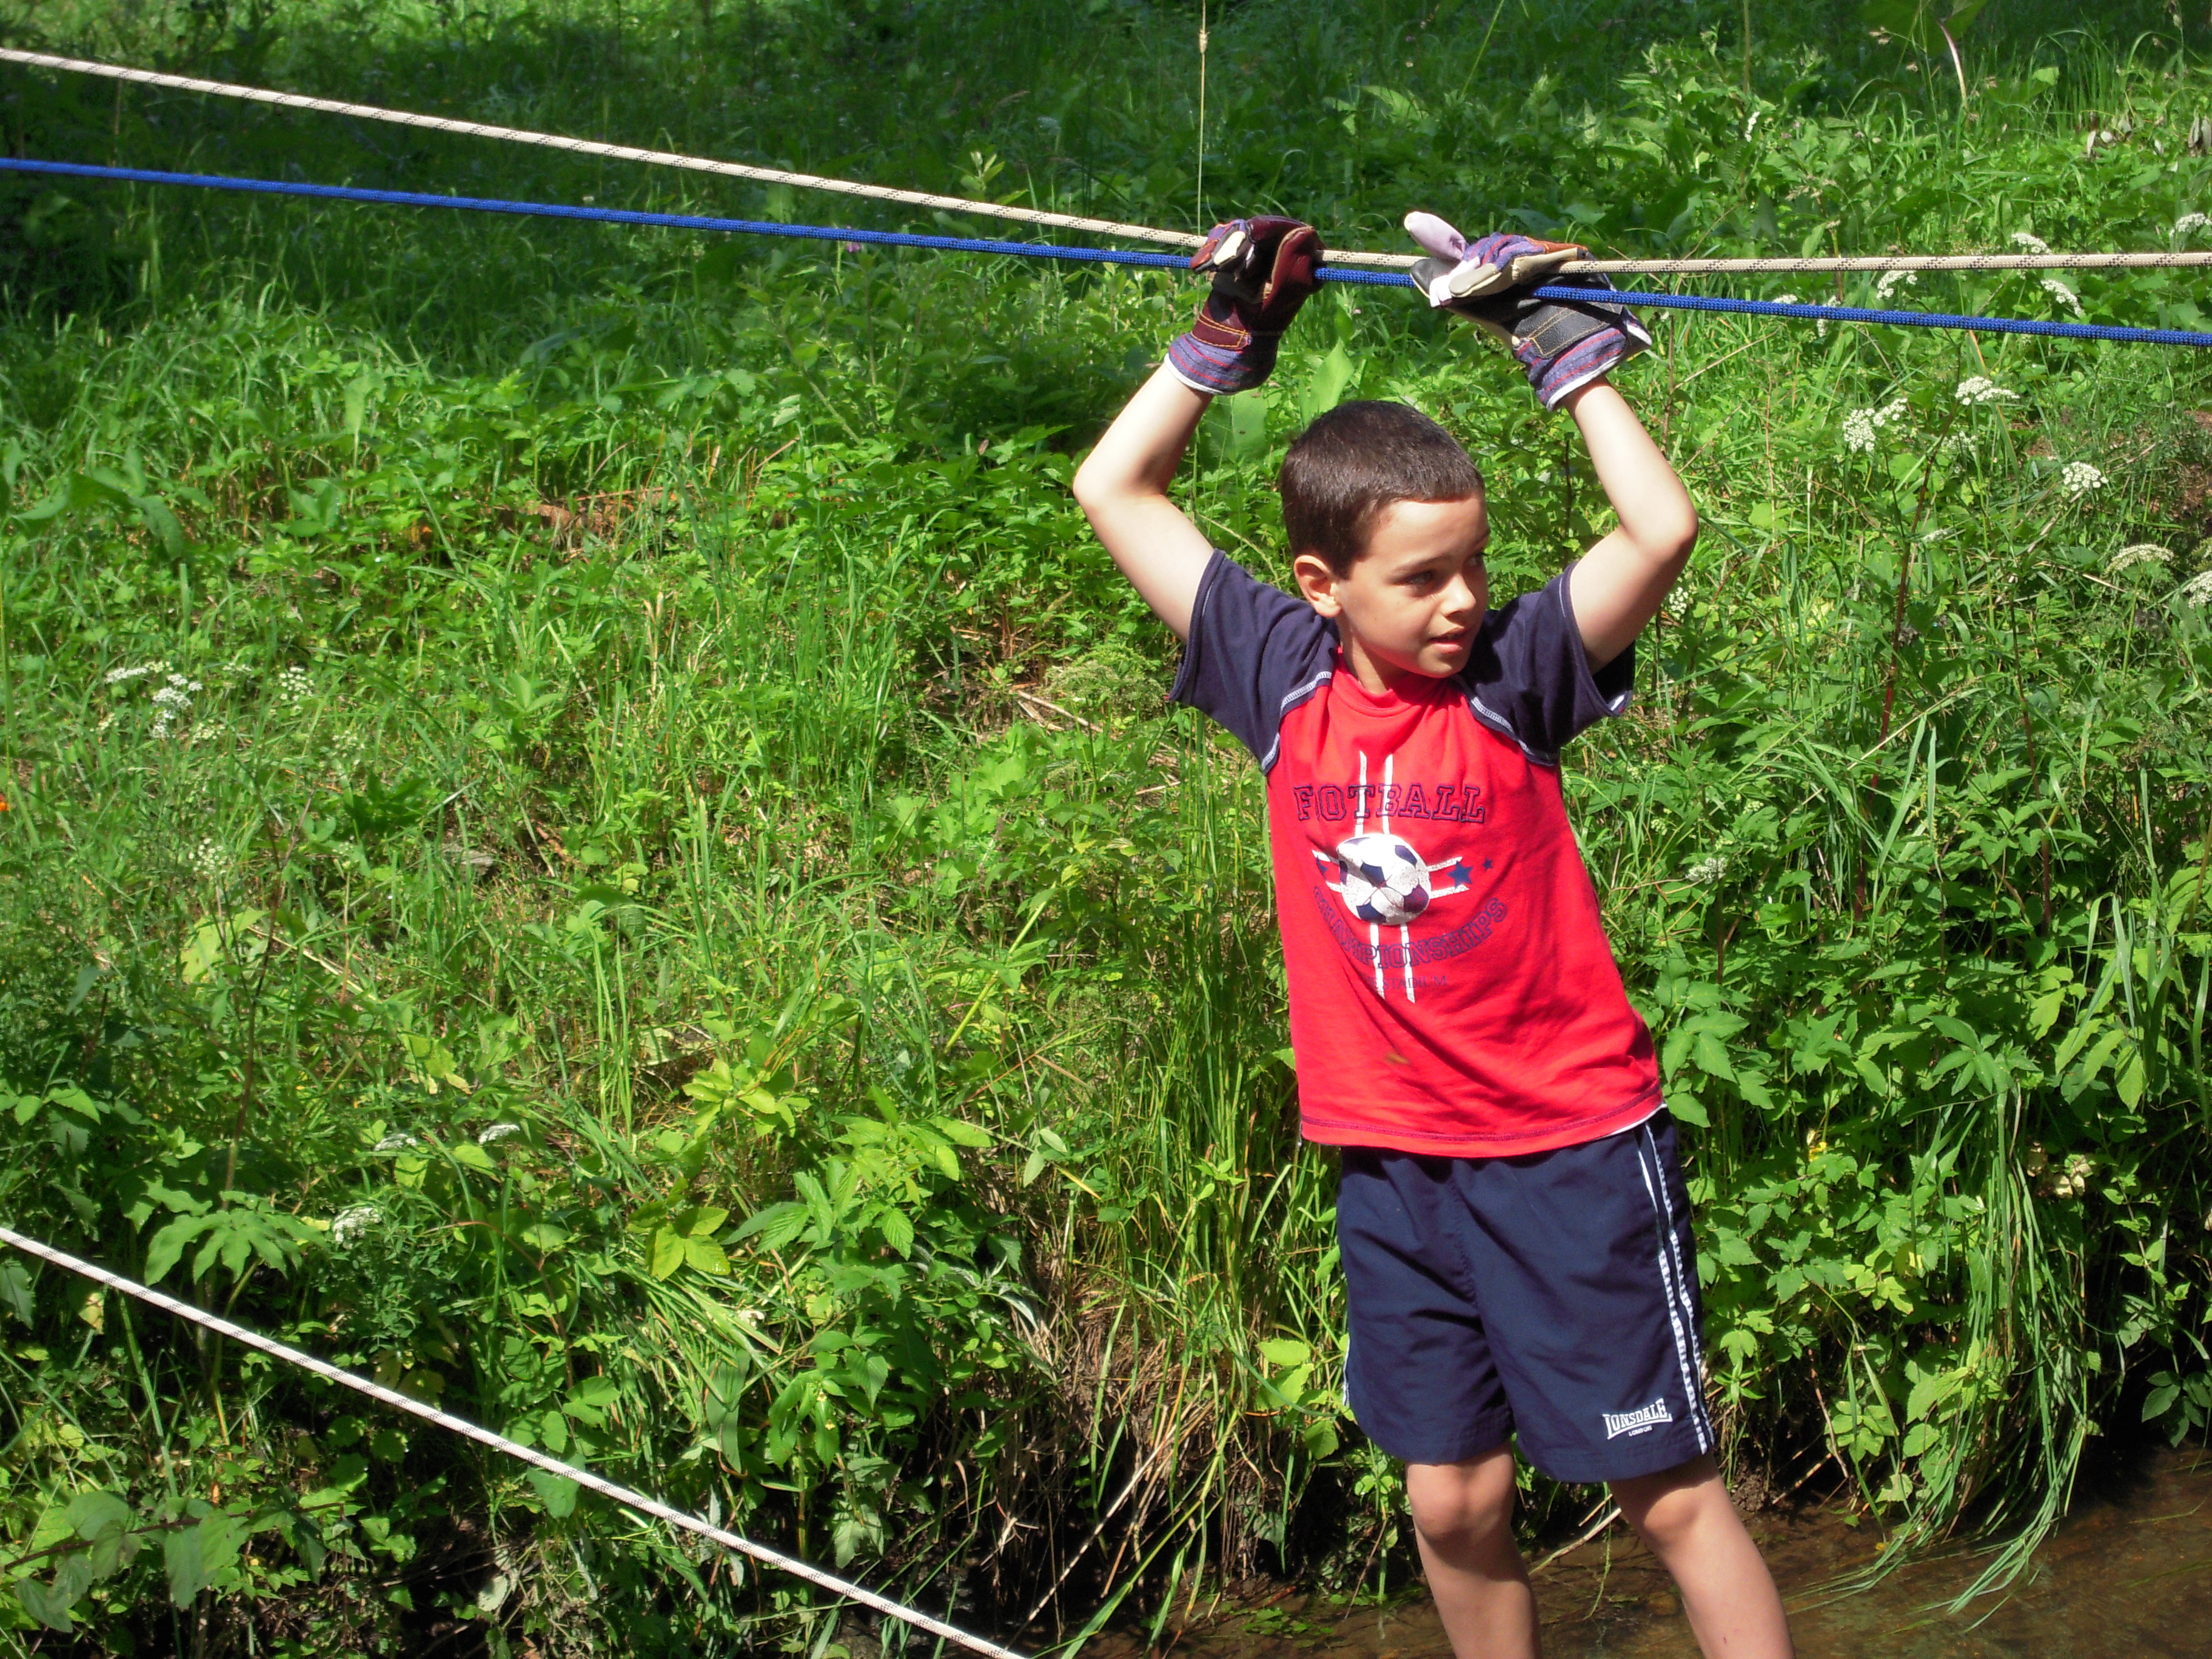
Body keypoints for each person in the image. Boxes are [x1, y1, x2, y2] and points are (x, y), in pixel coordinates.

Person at [1070, 212, 1793, 1659]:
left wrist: (1559, 350)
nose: (1462, 600)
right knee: (1452, 1500)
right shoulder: (1276, 674)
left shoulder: (1517, 674)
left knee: (1665, 1495)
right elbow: (1115, 485)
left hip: (1567, 1152)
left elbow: (1661, 531)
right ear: (1320, 586)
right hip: (1395, 1168)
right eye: (1420, 580)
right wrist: (1226, 339)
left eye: (1473, 565)